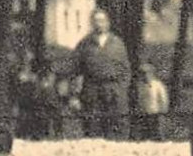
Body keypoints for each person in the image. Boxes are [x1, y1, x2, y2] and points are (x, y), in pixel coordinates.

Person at [72, 8, 132, 139]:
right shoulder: (84, 44)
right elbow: (76, 71)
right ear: (92, 23)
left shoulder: (117, 43)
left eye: (102, 20)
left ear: (108, 22)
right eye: (96, 21)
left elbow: (125, 69)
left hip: (114, 91)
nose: (100, 23)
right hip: (92, 90)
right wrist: (75, 95)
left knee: (116, 125)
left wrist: (121, 89)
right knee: (93, 126)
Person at [134, 62, 170, 141]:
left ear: (151, 74)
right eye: (142, 74)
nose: (145, 76)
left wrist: (163, 110)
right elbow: (140, 99)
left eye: (147, 73)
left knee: (158, 132)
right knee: (145, 133)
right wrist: (140, 109)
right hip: (145, 113)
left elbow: (163, 98)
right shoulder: (140, 86)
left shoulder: (158, 85)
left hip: (156, 113)